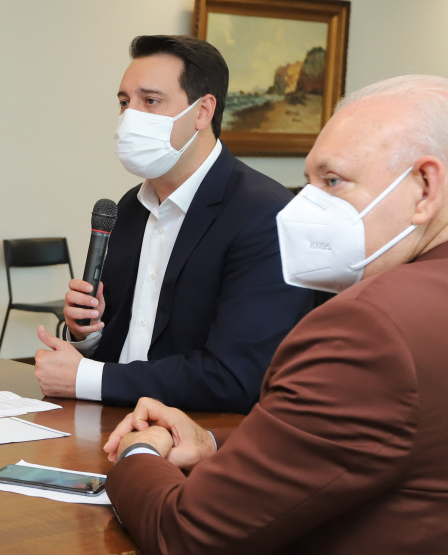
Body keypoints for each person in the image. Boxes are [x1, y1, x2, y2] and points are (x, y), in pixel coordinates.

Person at [102, 74, 448, 553]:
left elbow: (186, 534)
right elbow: (388, 447)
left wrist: (138, 453)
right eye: (308, 183)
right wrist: (215, 446)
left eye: (332, 181)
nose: (304, 207)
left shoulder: (370, 326)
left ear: (425, 188)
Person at [34, 35, 314, 413]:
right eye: (124, 102)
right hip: (113, 421)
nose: (130, 116)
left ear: (202, 112)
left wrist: (85, 377)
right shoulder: (129, 208)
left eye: (150, 101)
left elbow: (233, 378)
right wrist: (87, 334)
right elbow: (129, 342)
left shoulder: (265, 215)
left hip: (200, 439)